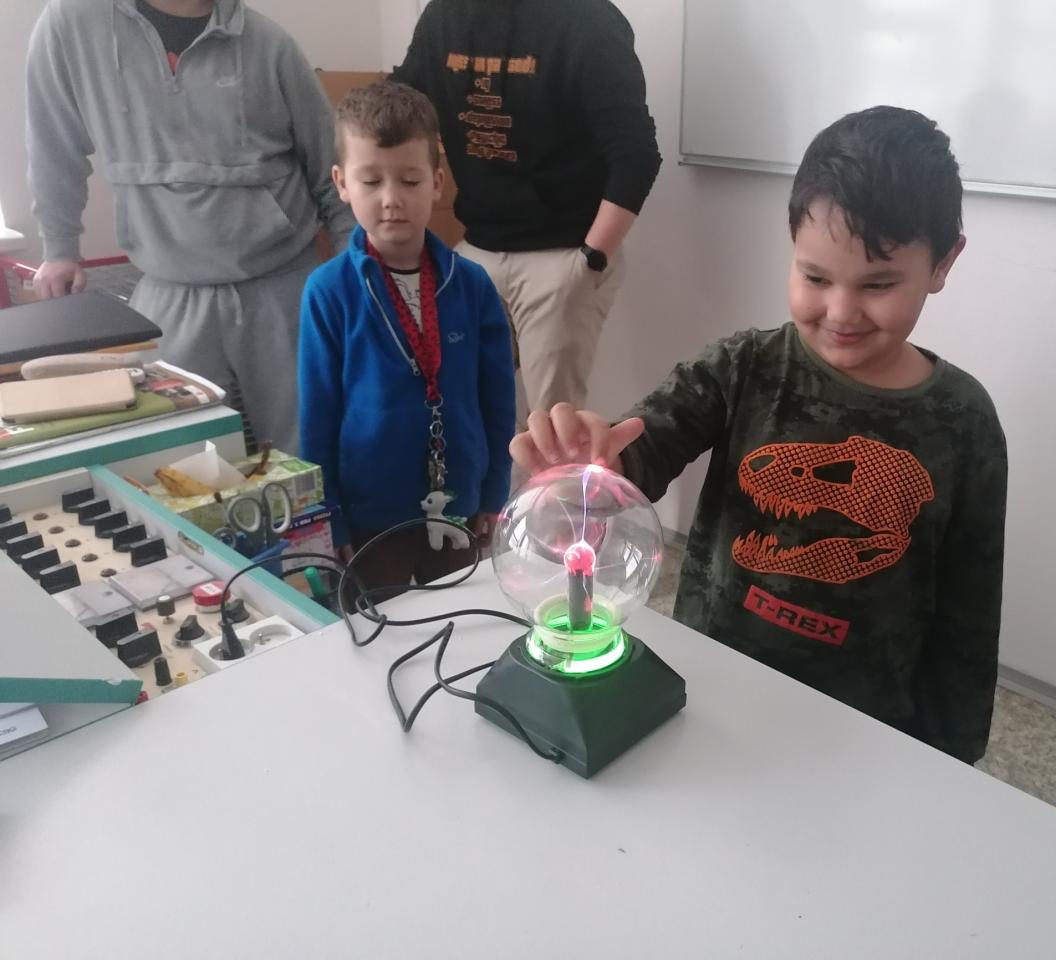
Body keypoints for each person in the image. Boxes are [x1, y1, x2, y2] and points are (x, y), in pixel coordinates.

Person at [511, 107, 1008, 763]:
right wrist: (598, 455)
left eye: (878, 284)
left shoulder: (965, 419)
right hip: (712, 682)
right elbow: (646, 444)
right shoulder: (742, 366)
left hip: (865, 725)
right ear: (792, 246)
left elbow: (970, 609)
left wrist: (952, 758)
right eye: (815, 277)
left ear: (943, 263)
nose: (840, 311)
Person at [25, 0, 354, 454]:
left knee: (311, 457)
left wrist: (356, 268)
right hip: (168, 292)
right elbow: (51, 143)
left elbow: (332, 171)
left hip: (284, 289)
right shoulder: (71, 23)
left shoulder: (270, 44)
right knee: (178, 463)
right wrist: (60, 247)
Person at [389, 0, 661, 413]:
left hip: (562, 257)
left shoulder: (589, 19)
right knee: (457, 408)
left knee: (553, 426)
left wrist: (590, 259)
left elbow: (636, 154)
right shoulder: (443, 15)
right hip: (476, 251)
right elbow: (400, 107)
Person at [298, 81, 515, 597]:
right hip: (370, 513)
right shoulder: (328, 291)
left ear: (437, 183)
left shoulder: (472, 284)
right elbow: (317, 419)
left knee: (463, 622)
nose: (391, 199)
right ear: (341, 183)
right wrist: (331, 518)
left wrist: (494, 493)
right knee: (379, 628)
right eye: (371, 180)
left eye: (410, 180)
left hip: (459, 503)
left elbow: (499, 401)